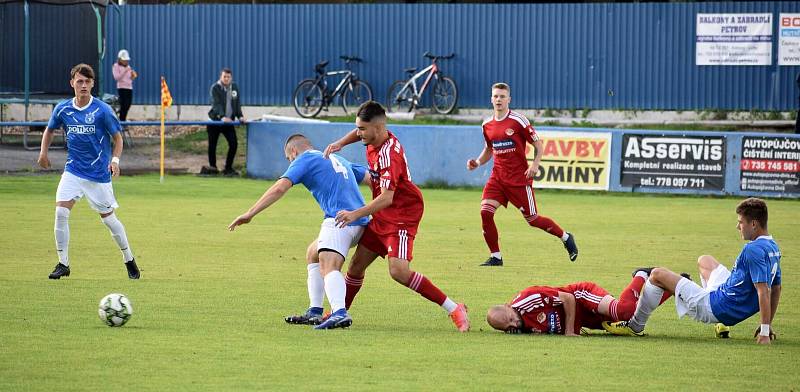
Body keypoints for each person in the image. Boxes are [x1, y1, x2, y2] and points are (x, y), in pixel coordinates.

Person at [324, 101, 470, 332]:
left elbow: (387, 198)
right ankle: (337, 314)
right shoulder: (372, 136)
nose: (358, 133)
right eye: (358, 128)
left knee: (398, 272)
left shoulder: (390, 155)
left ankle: (455, 308)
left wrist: (355, 214)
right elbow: (359, 131)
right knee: (356, 266)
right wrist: (340, 143)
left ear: (378, 128)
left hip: (402, 214)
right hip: (383, 213)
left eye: (362, 129)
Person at [228, 134, 369, 329]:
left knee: (329, 265)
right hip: (361, 221)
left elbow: (280, 188)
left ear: (293, 151)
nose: (290, 162)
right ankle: (315, 312)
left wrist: (250, 213)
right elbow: (371, 177)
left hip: (340, 220)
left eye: (289, 159)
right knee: (313, 253)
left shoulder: (305, 159)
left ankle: (339, 312)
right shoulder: (337, 158)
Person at [603, 198, 782, 345]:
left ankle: (635, 326)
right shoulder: (772, 247)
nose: (738, 227)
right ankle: (709, 310)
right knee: (705, 260)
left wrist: (764, 331)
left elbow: (764, 291)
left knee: (657, 274)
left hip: (717, 306)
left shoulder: (752, 250)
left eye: (740, 222)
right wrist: (767, 324)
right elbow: (777, 288)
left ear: (753, 224)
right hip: (725, 292)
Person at [37, 63, 140, 280]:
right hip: (73, 170)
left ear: (92, 84)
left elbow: (118, 139)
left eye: (87, 81)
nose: (83, 85)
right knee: (61, 212)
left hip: (98, 175)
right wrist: (43, 153)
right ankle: (63, 264)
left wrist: (115, 161)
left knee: (109, 220)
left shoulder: (102, 110)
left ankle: (129, 259)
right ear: (72, 83)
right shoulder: (63, 109)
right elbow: (49, 130)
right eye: (79, 81)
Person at [467, 82, 577, 266]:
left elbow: (538, 145)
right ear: (491, 99)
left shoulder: (519, 121)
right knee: (485, 212)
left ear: (509, 99)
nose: (499, 99)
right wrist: (477, 162)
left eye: (502, 96)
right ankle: (496, 257)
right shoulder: (487, 124)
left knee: (533, 219)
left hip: (519, 180)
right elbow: (489, 149)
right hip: (498, 178)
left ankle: (565, 237)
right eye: (495, 96)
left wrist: (534, 165)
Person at [486, 270, 682, 336]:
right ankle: (674, 285)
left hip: (581, 296)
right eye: (508, 327)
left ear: (508, 305)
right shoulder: (516, 326)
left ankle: (641, 274)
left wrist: (569, 332)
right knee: (634, 324)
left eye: (511, 319)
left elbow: (567, 298)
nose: (514, 324)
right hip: (584, 319)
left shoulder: (527, 299)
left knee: (623, 311)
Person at [205, 68, 245, 176]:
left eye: (228, 77)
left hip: (228, 122)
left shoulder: (234, 87)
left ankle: (228, 168)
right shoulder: (215, 88)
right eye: (224, 77)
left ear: (231, 77)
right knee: (212, 145)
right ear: (220, 77)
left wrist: (240, 116)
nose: (226, 79)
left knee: (234, 144)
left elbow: (237, 103)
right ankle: (213, 168)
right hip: (215, 121)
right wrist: (222, 116)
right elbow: (215, 104)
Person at [112, 49, 137, 122]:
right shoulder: (116, 66)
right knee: (124, 104)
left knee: (128, 104)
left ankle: (123, 119)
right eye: (124, 60)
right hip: (122, 88)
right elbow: (117, 77)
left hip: (129, 87)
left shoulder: (128, 67)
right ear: (120, 59)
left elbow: (130, 78)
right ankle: (122, 120)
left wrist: (133, 75)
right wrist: (125, 70)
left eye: (126, 60)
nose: (126, 61)